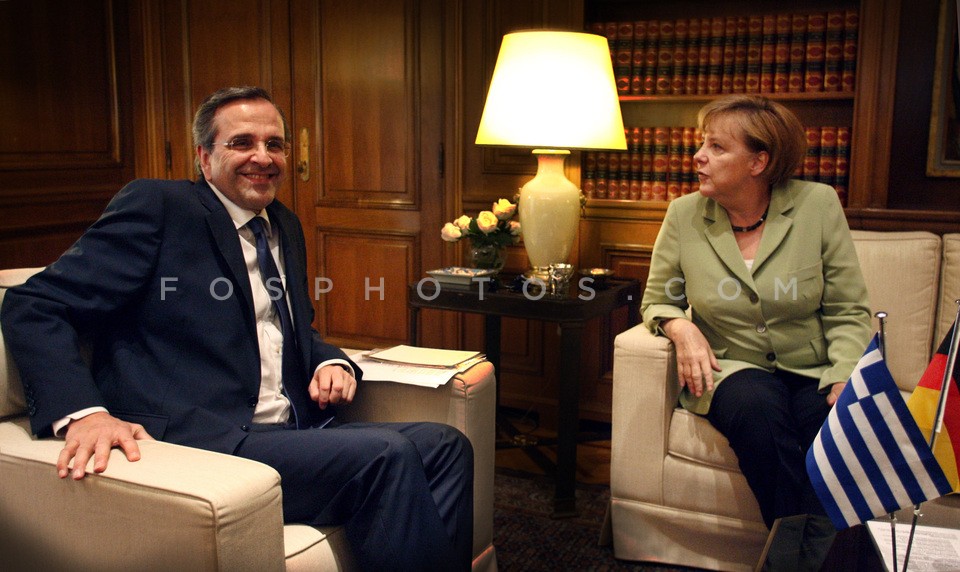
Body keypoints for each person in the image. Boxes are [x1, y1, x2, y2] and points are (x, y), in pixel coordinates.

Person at [0, 86, 474, 571]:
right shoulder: (161, 207)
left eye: (275, 144)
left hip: (285, 429)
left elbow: (287, 327)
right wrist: (84, 413)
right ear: (204, 158)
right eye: (241, 142)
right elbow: (34, 304)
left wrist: (329, 358)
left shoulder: (283, 225)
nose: (262, 157)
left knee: (444, 445)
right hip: (203, 436)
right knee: (385, 454)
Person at [640, 95, 872, 569]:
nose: (698, 157)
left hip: (813, 366)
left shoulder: (817, 205)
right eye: (702, 144)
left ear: (758, 162)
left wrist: (844, 373)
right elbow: (657, 298)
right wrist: (681, 327)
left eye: (717, 147)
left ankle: (798, 560)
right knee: (757, 409)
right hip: (733, 368)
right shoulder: (684, 215)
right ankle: (811, 560)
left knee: (831, 429)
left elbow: (849, 309)